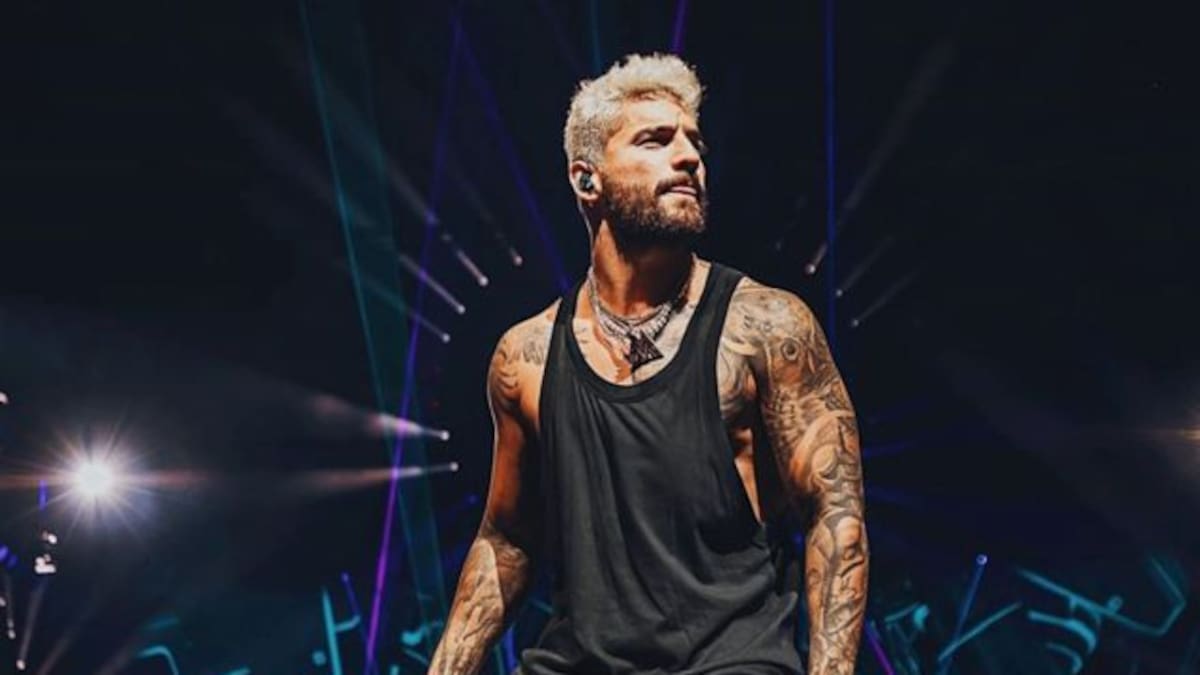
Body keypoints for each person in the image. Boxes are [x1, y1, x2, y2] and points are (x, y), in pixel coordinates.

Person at [429, 53, 868, 675]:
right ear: (587, 181)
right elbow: (508, 538)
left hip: (729, 663)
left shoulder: (767, 327)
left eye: (694, 143)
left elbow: (835, 513)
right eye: (656, 141)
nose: (688, 158)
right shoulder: (524, 357)